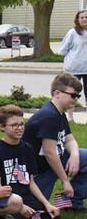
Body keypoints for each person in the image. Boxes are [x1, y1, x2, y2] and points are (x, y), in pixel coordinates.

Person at [0, 105, 62, 219]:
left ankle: (18, 214)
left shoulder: (27, 148)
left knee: (54, 217)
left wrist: (47, 204)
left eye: (22, 124)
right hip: (7, 197)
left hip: (25, 195)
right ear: (2, 127)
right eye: (14, 125)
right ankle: (4, 214)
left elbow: (31, 182)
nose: (20, 128)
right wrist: (20, 207)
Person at [23, 72, 87, 211]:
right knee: (35, 209)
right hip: (39, 170)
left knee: (85, 156)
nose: (75, 99)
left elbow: (69, 139)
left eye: (78, 96)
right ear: (57, 93)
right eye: (73, 95)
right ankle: (65, 196)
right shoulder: (49, 116)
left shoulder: (59, 113)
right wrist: (65, 181)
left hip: (54, 160)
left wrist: (75, 155)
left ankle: (72, 201)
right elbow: (50, 153)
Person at [58, 10, 87, 121]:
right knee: (72, 92)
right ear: (78, 20)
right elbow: (63, 50)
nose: (84, 19)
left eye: (86, 17)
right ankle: (70, 117)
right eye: (82, 17)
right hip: (74, 68)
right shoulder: (72, 33)